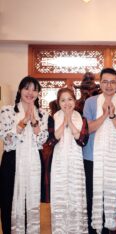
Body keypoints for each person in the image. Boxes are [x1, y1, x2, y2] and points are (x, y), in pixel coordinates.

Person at [83, 68, 116, 233]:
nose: (108, 85)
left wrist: (113, 117)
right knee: (92, 197)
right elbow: (87, 129)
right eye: (105, 81)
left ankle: (110, 229)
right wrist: (104, 114)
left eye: (112, 82)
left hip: (114, 158)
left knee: (111, 198)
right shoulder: (91, 102)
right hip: (92, 158)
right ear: (100, 83)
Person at [0, 76, 49, 234]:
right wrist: (23, 122)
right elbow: (6, 140)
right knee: (8, 201)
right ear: (20, 90)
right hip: (11, 161)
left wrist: (34, 122)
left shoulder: (43, 114)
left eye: (34, 89)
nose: (30, 92)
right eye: (27, 88)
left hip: (34, 161)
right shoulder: (7, 111)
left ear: (38, 93)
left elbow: (42, 140)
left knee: (31, 202)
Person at [47, 88, 89, 233]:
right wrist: (64, 121)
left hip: (76, 164)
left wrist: (70, 122)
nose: (67, 103)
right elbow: (52, 141)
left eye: (70, 99)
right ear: (58, 103)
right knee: (60, 199)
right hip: (59, 164)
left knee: (76, 199)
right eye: (63, 100)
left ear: (75, 101)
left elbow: (82, 140)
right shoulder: (53, 118)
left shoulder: (81, 118)